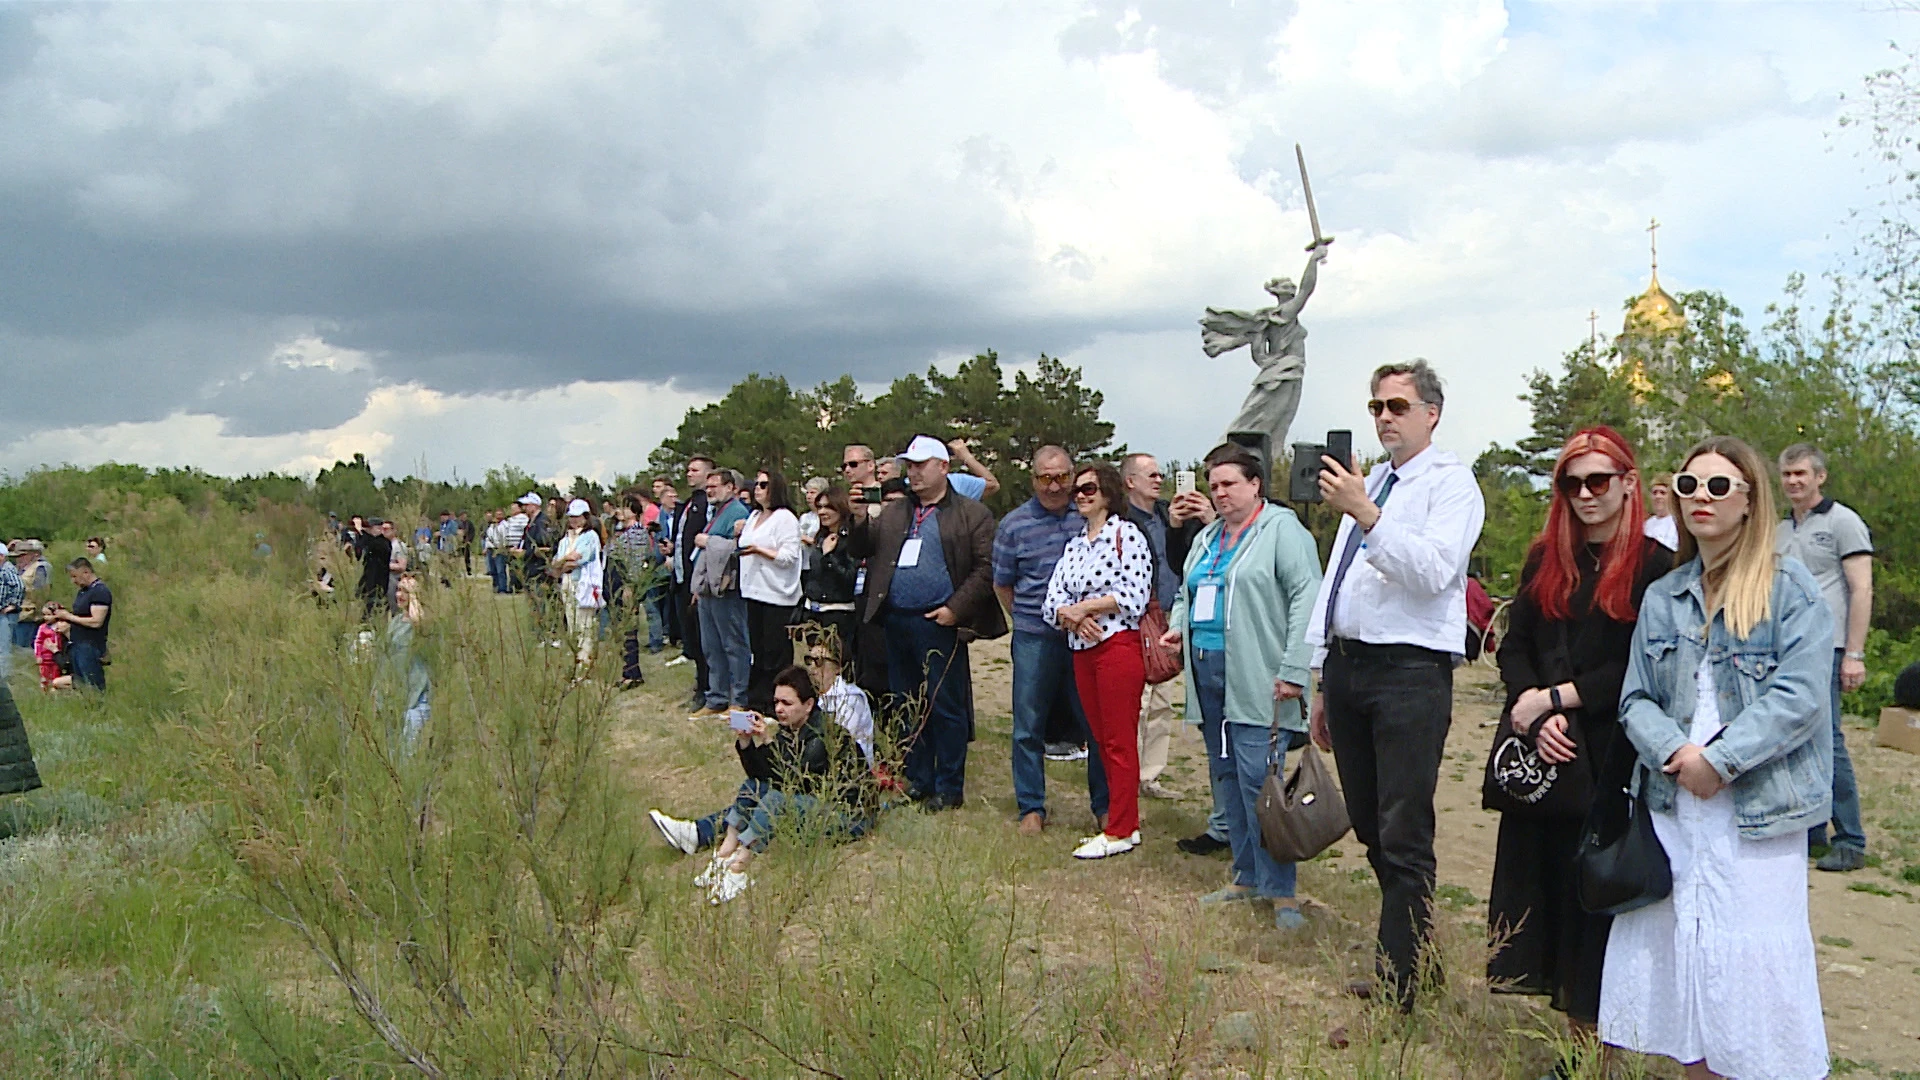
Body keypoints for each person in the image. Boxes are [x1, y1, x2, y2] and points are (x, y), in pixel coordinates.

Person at [1600, 435, 1833, 1080]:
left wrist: (1722, 761)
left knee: (1749, 962)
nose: (1700, 497)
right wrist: (1675, 751)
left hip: (1757, 808)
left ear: (1750, 501)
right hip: (1677, 802)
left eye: (1719, 486)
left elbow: (1802, 694)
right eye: (1689, 485)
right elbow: (1636, 697)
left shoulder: (1789, 589)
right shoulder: (1663, 595)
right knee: (1688, 956)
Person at [1305, 358, 1486, 1007]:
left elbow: (1436, 572)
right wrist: (1322, 675)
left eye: (1398, 406)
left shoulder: (1451, 483)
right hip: (1351, 666)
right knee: (1368, 822)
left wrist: (1367, 516)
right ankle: (1416, 953)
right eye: (1377, 406)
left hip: (1409, 671)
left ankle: (1399, 979)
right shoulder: (1374, 479)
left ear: (1431, 414)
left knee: (1403, 827)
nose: (1384, 417)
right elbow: (1340, 583)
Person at [1486, 427, 1671, 1056]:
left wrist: (1558, 699)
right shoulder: (1546, 558)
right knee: (1553, 902)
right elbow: (1515, 645)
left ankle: (1606, 1057)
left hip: (1611, 756)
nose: (1586, 494)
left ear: (1627, 483)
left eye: (1598, 480)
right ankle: (1578, 1051)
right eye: (1572, 483)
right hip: (1547, 755)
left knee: (1602, 906)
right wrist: (1532, 711)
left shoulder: (1655, 567)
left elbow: (1640, 667)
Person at [1159, 444, 1322, 927]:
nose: (1220, 493)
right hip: (1207, 671)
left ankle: (1281, 889)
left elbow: (1305, 597)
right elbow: (1189, 592)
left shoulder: (1283, 531)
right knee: (1226, 775)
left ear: (1255, 484)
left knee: (1261, 780)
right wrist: (1177, 624)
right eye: (1214, 485)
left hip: (1257, 673)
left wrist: (1295, 668)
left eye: (1230, 483)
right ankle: (1246, 876)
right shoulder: (1208, 536)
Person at [844, 434, 1005, 810]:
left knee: (945, 706)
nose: (912, 473)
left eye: (920, 465)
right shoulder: (897, 511)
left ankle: (949, 788)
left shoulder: (970, 512)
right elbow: (863, 548)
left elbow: (985, 568)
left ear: (943, 467)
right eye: (909, 466)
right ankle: (918, 778)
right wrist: (857, 519)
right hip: (897, 619)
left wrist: (955, 609)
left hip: (938, 621)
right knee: (906, 703)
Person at [647, 665, 871, 903]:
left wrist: (766, 741)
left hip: (849, 813)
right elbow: (761, 778)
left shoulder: (821, 736)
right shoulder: (793, 729)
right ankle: (723, 853)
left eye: (787, 703)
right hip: (813, 797)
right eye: (776, 702)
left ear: (808, 705)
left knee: (774, 801)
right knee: (754, 789)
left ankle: (739, 868)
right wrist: (747, 744)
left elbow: (789, 780)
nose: (779, 709)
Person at [1042, 462, 1154, 859]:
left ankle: (1121, 827)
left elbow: (1134, 595)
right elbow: (1052, 600)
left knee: (1119, 739)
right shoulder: (1074, 545)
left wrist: (1083, 608)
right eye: (1077, 490)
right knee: (1100, 740)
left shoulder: (1127, 536)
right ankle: (1123, 821)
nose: (1081, 496)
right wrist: (1070, 616)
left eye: (1089, 489)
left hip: (1117, 647)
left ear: (1107, 492)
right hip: (1081, 650)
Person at [1775, 442, 1874, 873]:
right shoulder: (1779, 529)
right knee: (1791, 736)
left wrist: (1854, 653)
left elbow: (1862, 589)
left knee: (1828, 739)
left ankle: (1850, 838)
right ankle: (1811, 829)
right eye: (1787, 474)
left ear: (1820, 476)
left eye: (1801, 473)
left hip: (1827, 645)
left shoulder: (1843, 522)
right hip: (1783, 646)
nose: (1794, 481)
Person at [993, 445, 1102, 836]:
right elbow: (1002, 583)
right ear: (1034, 479)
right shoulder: (1013, 524)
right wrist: (1029, 617)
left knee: (1094, 724)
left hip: (1086, 637)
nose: (1054, 486)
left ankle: (1103, 807)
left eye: (1062, 477)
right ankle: (1031, 807)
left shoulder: (1089, 517)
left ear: (1072, 477)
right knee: (1028, 725)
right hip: (1035, 638)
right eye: (1045, 478)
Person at [1121, 453, 1182, 801]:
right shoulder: (1122, 520)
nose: (1159, 480)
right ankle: (1129, 771)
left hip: (1171, 613)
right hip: (1138, 616)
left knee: (1164, 699)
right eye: (1151, 475)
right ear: (1131, 481)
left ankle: (1150, 775)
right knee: (1138, 700)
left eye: (1161, 474)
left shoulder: (1167, 514)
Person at [689, 469, 752, 719]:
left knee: (733, 644)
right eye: (708, 487)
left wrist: (709, 541)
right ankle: (716, 697)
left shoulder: (737, 512)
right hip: (709, 589)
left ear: (731, 487)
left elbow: (739, 548)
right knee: (711, 646)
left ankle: (738, 697)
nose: (710, 491)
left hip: (727, 589)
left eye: (715, 486)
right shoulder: (716, 513)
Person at [740, 469, 803, 713]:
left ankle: (777, 702)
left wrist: (759, 550)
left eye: (764, 484)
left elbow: (788, 557)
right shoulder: (754, 515)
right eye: (756, 484)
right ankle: (757, 699)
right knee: (758, 651)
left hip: (777, 594)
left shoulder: (785, 518)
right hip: (753, 591)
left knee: (775, 653)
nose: (758, 488)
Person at [673, 457, 717, 706]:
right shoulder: (690, 503)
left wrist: (698, 582)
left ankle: (706, 687)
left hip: (696, 580)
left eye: (694, 470)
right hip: (681, 577)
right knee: (691, 634)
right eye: (687, 469)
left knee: (703, 638)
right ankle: (700, 684)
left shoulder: (707, 504)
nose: (689, 474)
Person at [800, 484, 862, 662]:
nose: (822, 512)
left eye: (828, 507)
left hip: (838, 615)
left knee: (836, 667)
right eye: (819, 507)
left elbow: (849, 578)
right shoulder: (821, 537)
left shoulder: (851, 538)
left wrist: (829, 557)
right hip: (812, 612)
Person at [608, 492, 655, 689]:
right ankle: (627, 670)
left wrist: (630, 586)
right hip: (615, 584)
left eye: (624, 507)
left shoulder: (636, 533)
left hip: (626, 584)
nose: (620, 511)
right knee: (622, 630)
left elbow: (635, 562)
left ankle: (633, 673)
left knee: (629, 630)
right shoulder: (622, 531)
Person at [552, 499, 605, 669]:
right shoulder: (565, 539)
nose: (573, 520)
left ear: (585, 517)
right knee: (573, 625)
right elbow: (556, 563)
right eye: (571, 517)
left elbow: (577, 558)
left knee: (585, 625)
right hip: (567, 583)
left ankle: (585, 665)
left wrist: (564, 561)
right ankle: (578, 661)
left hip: (584, 584)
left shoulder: (590, 536)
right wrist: (563, 561)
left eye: (577, 516)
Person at [56, 557, 112, 691]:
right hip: (77, 644)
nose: (73, 581)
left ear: (86, 572)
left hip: (90, 645)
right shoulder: (83, 591)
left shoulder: (99, 591)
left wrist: (69, 616)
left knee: (92, 684)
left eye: (75, 576)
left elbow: (96, 621)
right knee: (80, 683)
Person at [356, 518, 395, 619]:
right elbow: (358, 552)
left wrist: (361, 531)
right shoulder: (368, 540)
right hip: (366, 584)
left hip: (378, 585)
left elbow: (374, 545)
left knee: (375, 614)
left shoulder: (384, 543)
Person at [33, 606, 73, 692]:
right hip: (45, 658)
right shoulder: (43, 628)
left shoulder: (66, 639)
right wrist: (38, 655)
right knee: (44, 679)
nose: (46, 617)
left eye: (49, 615)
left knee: (56, 678)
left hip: (56, 660)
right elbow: (38, 641)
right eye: (44, 615)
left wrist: (55, 650)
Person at [0, 545, 22, 679]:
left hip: (5, 615)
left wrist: (13, 605)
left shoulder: (7, 569)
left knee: (4, 646)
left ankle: (5, 676)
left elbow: (19, 586)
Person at [1642, 472, 1680, 552]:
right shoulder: (1646, 524)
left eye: (1663, 493)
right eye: (1654, 492)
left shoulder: (1678, 524)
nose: (1658, 496)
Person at [798, 476, 831, 543]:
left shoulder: (829, 517)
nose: (808, 496)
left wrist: (809, 540)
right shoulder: (805, 517)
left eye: (812, 493)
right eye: (807, 493)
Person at [456, 511, 476, 576]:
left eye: (465, 516)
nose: (464, 517)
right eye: (462, 516)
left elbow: (472, 532)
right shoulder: (458, 523)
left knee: (467, 557)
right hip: (459, 542)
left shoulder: (469, 523)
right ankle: (457, 571)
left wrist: (470, 540)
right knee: (457, 557)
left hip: (466, 542)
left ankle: (469, 570)